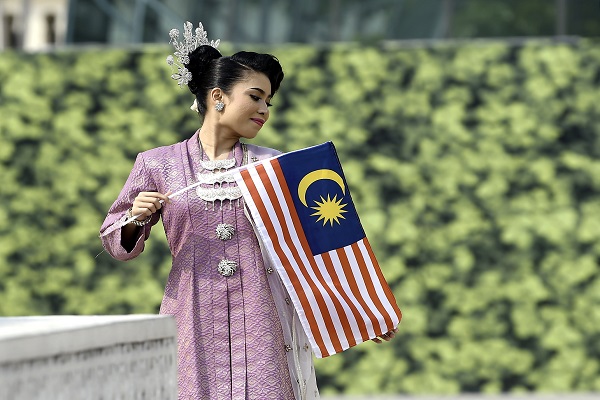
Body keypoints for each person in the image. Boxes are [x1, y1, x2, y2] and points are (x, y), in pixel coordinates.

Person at [100, 22, 396, 400]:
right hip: (190, 318)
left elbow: (321, 242)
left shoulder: (273, 167)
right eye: (255, 97)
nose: (264, 110)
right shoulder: (157, 165)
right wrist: (134, 219)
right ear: (218, 96)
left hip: (263, 320)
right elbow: (114, 241)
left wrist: (363, 309)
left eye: (268, 102)